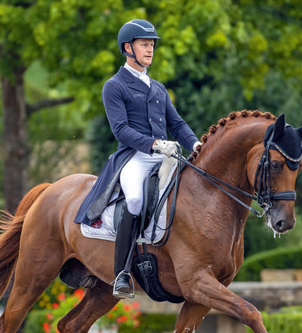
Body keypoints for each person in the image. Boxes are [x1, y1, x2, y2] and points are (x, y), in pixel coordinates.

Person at [74, 19, 201, 299]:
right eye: (145, 44)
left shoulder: (158, 88)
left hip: (166, 154)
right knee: (134, 199)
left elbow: (177, 123)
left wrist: (195, 143)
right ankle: (121, 273)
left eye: (152, 45)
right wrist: (155, 143)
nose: (150, 49)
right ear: (128, 48)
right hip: (135, 157)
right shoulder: (115, 86)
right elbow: (121, 130)